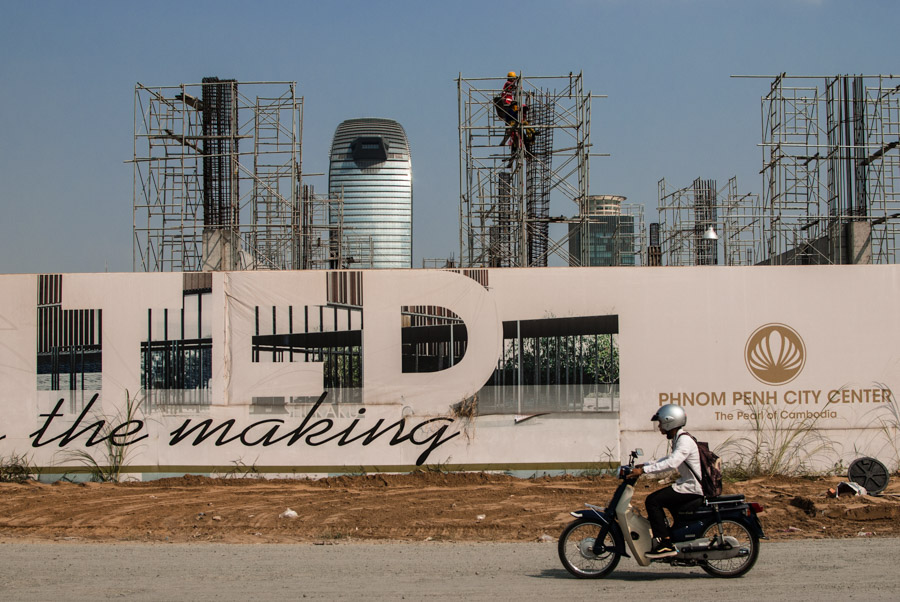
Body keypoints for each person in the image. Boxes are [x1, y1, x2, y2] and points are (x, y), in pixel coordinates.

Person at [629, 404, 703, 558]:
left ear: (670, 422)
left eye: (661, 423)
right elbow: (669, 458)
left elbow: (672, 463)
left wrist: (643, 471)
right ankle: (668, 535)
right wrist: (647, 464)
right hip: (686, 485)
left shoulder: (684, 441)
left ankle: (665, 543)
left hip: (691, 488)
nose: (660, 427)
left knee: (653, 501)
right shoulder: (679, 438)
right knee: (660, 500)